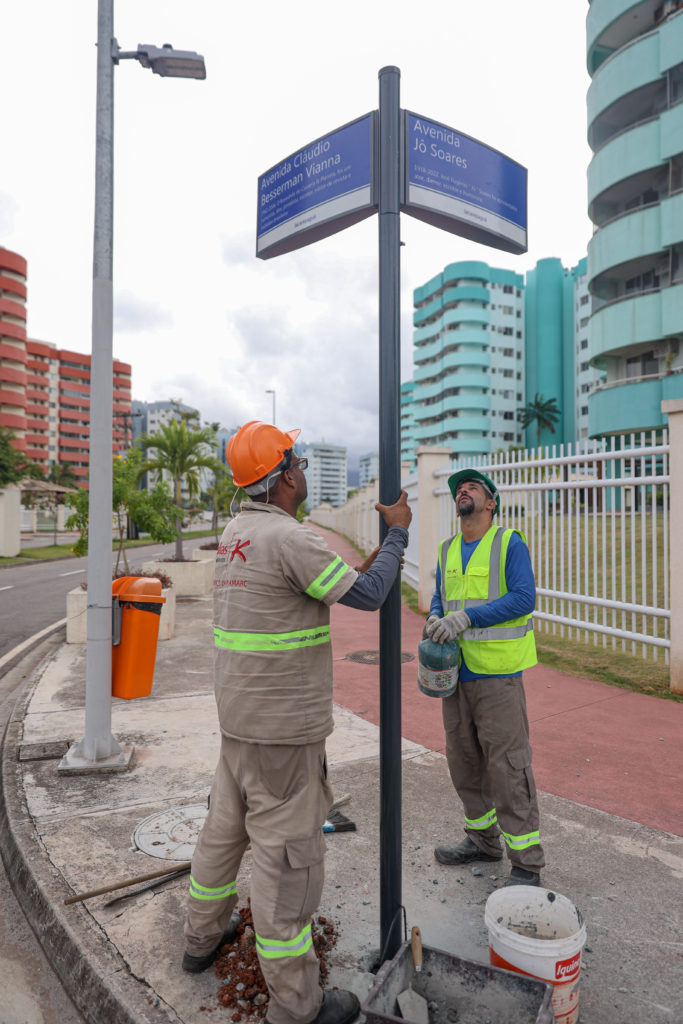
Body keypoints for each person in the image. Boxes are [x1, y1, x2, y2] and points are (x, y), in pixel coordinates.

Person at [182, 421, 412, 1024]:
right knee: (286, 867)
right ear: (283, 475)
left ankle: (200, 941)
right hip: (285, 733)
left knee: (222, 835)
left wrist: (364, 562)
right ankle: (299, 1006)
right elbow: (368, 598)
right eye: (299, 462)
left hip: (240, 723)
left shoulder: (236, 534)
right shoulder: (290, 538)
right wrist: (398, 537)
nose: (304, 471)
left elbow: (307, 592)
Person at [424, 468, 545, 887]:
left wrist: (467, 616)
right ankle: (483, 840)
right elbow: (440, 597)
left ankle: (527, 862)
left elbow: (523, 597)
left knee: (508, 766)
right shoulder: (446, 549)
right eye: (460, 487)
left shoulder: (508, 542)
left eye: (473, 486)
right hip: (455, 674)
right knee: (464, 762)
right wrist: (436, 616)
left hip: (497, 675)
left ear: (490, 502)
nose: (463, 490)